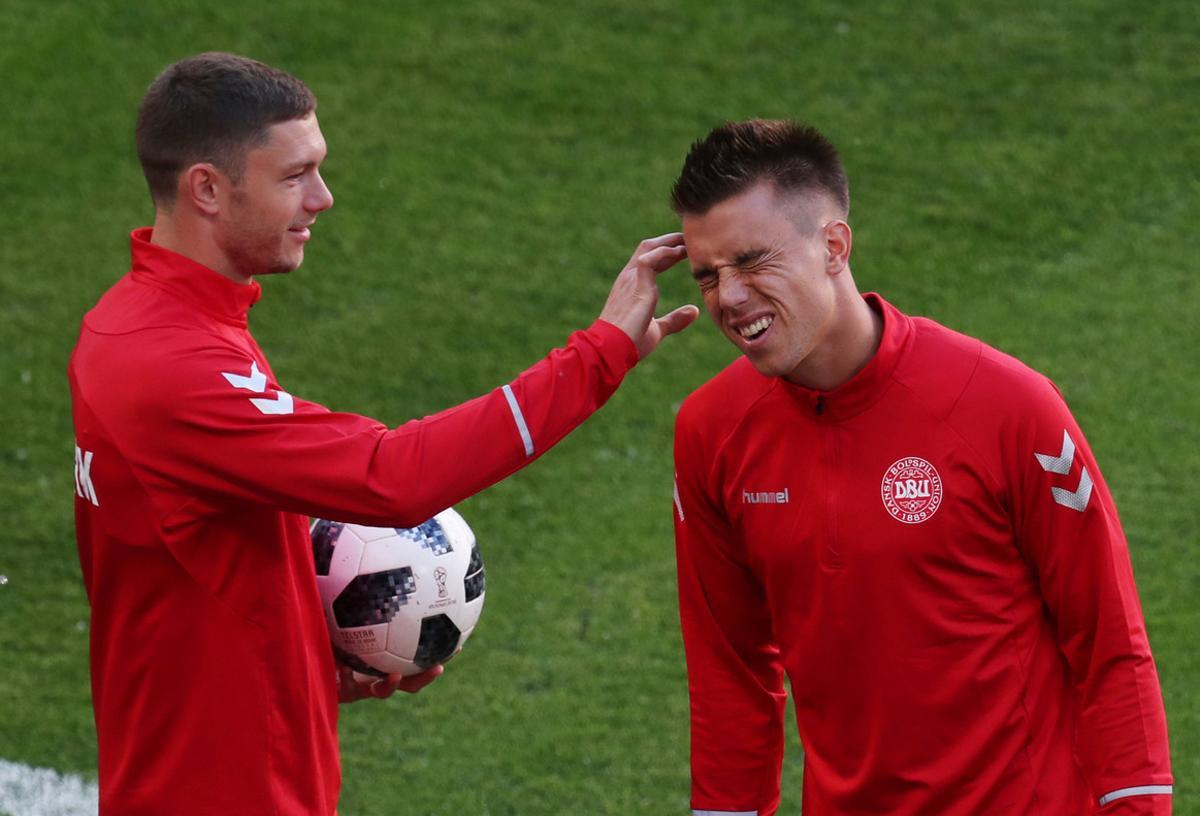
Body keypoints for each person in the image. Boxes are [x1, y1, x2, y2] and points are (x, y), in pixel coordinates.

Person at [68, 52, 697, 815]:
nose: (323, 198)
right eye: (295, 175)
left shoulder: (144, 326)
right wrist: (599, 356)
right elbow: (390, 478)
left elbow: (185, 561)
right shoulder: (170, 367)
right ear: (207, 187)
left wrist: (310, 670)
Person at [669, 120, 1172, 815]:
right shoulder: (710, 433)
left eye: (752, 262)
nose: (729, 297)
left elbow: (1109, 644)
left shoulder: (1008, 405)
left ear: (834, 246)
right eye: (708, 275)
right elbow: (731, 673)